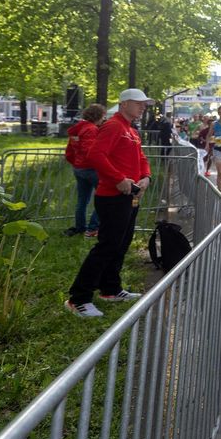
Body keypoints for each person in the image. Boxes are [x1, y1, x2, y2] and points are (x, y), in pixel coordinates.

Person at [65, 90, 153, 317]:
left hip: (129, 195)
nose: (143, 107)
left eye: (145, 104)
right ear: (124, 104)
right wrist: (119, 179)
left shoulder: (130, 129)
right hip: (112, 196)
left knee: (120, 244)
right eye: (139, 104)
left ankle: (110, 289)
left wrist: (146, 177)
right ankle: (78, 298)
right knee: (107, 246)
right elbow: (96, 155)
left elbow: (141, 157)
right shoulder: (114, 126)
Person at [64, 104, 106, 237]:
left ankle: (80, 227)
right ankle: (93, 227)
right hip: (90, 169)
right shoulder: (92, 129)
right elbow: (91, 152)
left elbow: (69, 151)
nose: (103, 119)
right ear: (98, 116)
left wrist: (76, 164)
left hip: (79, 168)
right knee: (104, 198)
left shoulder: (77, 129)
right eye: (103, 116)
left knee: (82, 201)